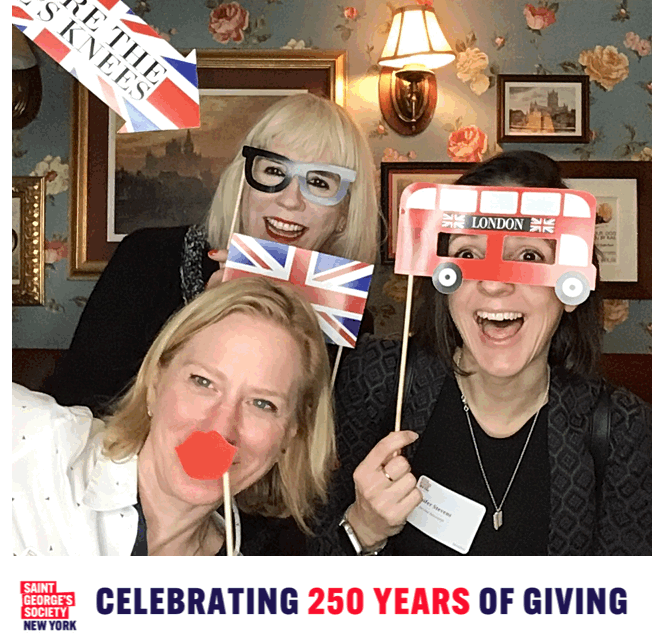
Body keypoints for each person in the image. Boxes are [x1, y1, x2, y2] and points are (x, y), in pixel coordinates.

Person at [311, 151, 651, 556]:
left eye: (529, 257)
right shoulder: (373, 380)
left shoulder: (626, 429)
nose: (494, 284)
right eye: (469, 255)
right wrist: (361, 531)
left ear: (571, 289)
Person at [42, 93, 378, 416]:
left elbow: (322, 442)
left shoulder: (345, 318)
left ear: (344, 214)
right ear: (243, 183)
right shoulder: (147, 258)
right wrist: (203, 322)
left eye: (319, 183)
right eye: (274, 171)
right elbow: (78, 408)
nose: (290, 200)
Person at [13, 277, 335, 556]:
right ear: (155, 383)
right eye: (203, 382)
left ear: (291, 433)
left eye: (262, 404)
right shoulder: (38, 440)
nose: (220, 429)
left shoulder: (247, 589)